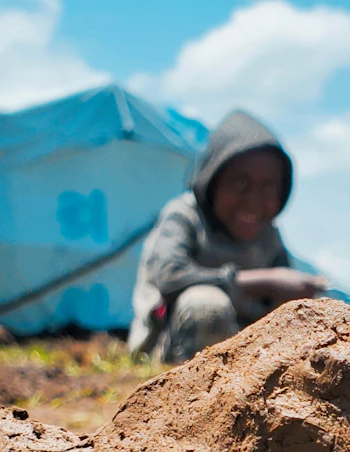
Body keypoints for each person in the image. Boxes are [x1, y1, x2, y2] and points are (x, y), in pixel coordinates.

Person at [130, 110, 325, 363]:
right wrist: (265, 281)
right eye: (240, 184)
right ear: (212, 180)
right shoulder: (185, 215)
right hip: (171, 345)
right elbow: (169, 275)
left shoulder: (268, 235)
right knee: (205, 305)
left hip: (244, 351)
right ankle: (194, 391)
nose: (253, 200)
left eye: (267, 187)